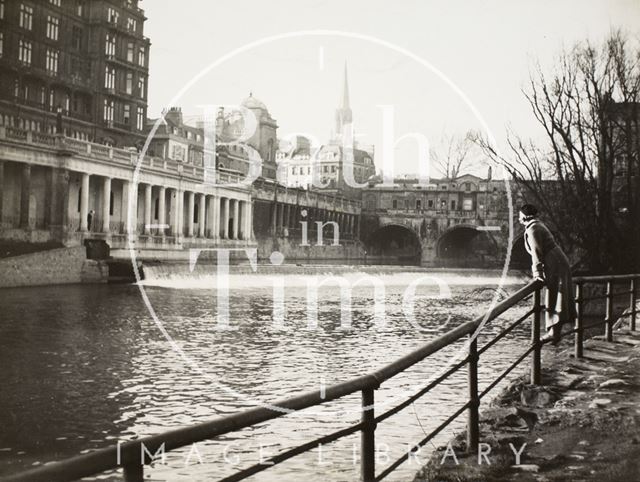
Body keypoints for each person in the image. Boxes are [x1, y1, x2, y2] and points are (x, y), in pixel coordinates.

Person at [519, 204, 576, 344]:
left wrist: (537, 273)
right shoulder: (537, 225)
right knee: (559, 295)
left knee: (555, 295)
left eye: (519, 216)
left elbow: (537, 252)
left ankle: (553, 333)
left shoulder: (533, 229)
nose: (518, 219)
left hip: (554, 263)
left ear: (525, 216)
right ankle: (555, 332)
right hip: (557, 261)